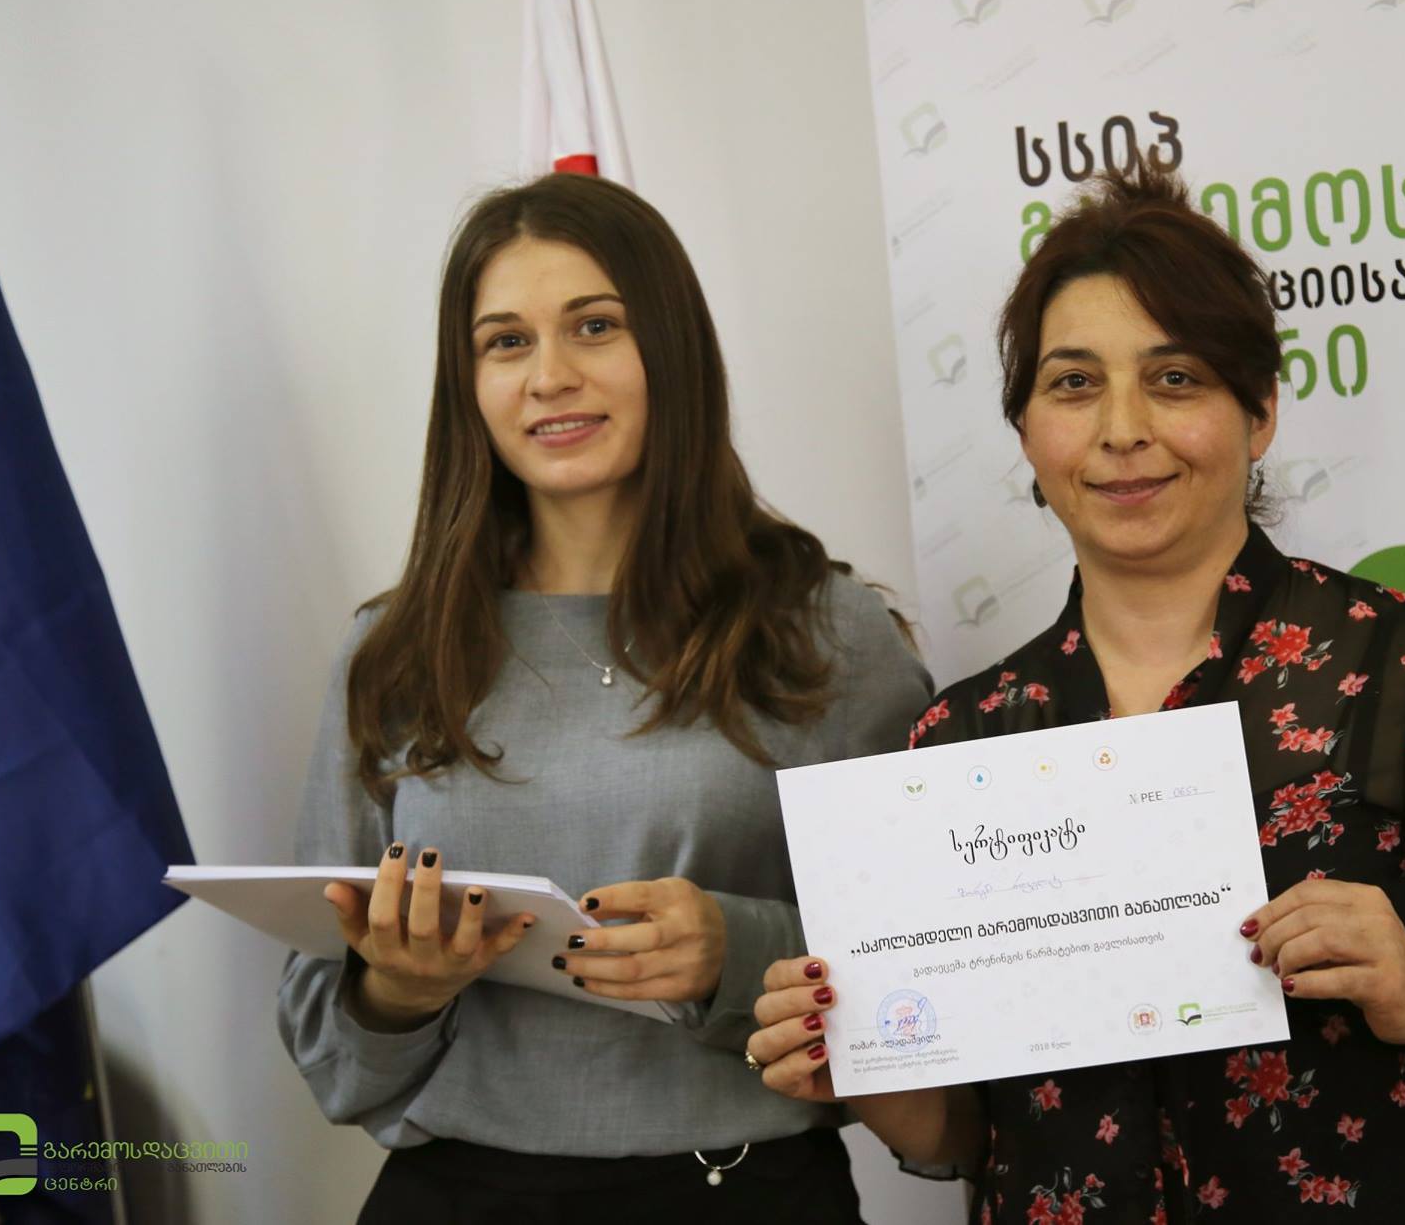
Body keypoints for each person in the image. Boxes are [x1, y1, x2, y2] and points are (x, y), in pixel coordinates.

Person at [746, 164, 1405, 1223]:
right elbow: (977, 1135)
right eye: (1073, 384)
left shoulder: (1397, 667)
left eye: (1174, 378)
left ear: (1260, 411)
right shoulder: (963, 739)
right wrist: (865, 1064)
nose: (1121, 428)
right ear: (1025, 432)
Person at [276, 172, 931, 1224]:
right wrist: (399, 988)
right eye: (506, 342)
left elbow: (942, 960)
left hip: (742, 1193)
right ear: (467, 383)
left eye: (594, 326)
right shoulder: (389, 653)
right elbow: (329, 1055)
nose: (550, 376)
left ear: (671, 349)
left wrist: (737, 953)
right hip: (456, 1196)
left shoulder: (825, 630)